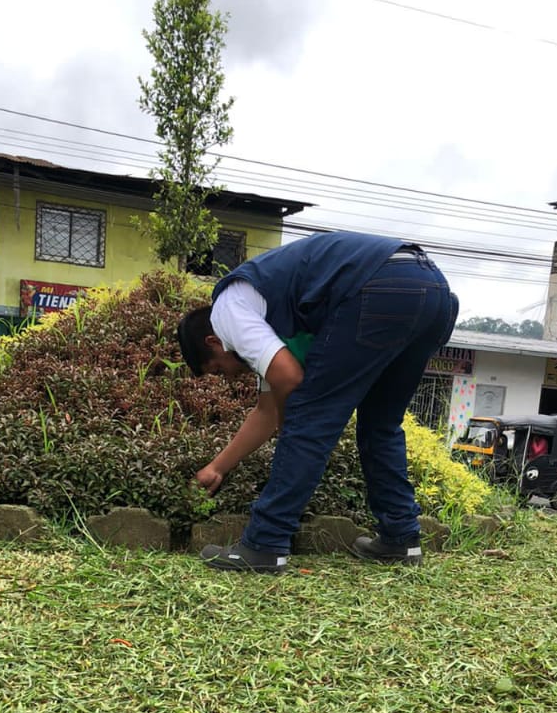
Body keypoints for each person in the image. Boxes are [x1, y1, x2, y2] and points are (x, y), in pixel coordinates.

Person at [176, 231, 458, 573]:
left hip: (379, 287)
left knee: (309, 419)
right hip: (432, 291)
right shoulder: (265, 319)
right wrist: (217, 468)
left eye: (218, 370)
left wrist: (295, 430)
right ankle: (401, 538)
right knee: (381, 425)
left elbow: (289, 380)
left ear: (213, 341)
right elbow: (267, 411)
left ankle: (266, 544)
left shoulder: (227, 310)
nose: (230, 378)